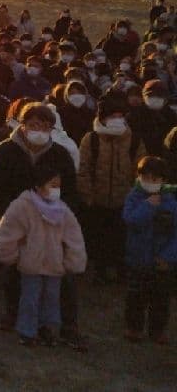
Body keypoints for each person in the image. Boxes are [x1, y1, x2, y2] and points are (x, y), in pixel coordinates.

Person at [0, 161, 87, 347]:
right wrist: (9, 255)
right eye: (52, 185)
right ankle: (27, 331)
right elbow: (8, 233)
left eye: (58, 186)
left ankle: (47, 329)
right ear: (38, 185)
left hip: (54, 265)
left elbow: (74, 237)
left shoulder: (62, 209)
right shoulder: (22, 206)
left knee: (51, 299)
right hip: (31, 264)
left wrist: (73, 260)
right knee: (30, 298)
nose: (56, 189)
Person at [78, 92, 146, 282]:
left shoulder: (133, 140)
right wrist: (88, 197)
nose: (117, 120)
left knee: (122, 238)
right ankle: (100, 272)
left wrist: (136, 198)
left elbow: (139, 171)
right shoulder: (91, 140)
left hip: (125, 200)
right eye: (112, 116)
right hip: (97, 200)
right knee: (100, 238)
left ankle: (122, 271)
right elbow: (83, 170)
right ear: (103, 118)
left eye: (120, 116)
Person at [122, 155, 177, 343]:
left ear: (163, 180)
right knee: (136, 296)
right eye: (146, 178)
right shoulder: (134, 197)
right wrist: (148, 206)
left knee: (161, 299)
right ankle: (134, 328)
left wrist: (168, 257)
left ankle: (158, 330)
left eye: (155, 179)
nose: (150, 182)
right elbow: (130, 219)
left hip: (162, 261)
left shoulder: (170, 200)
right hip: (138, 258)